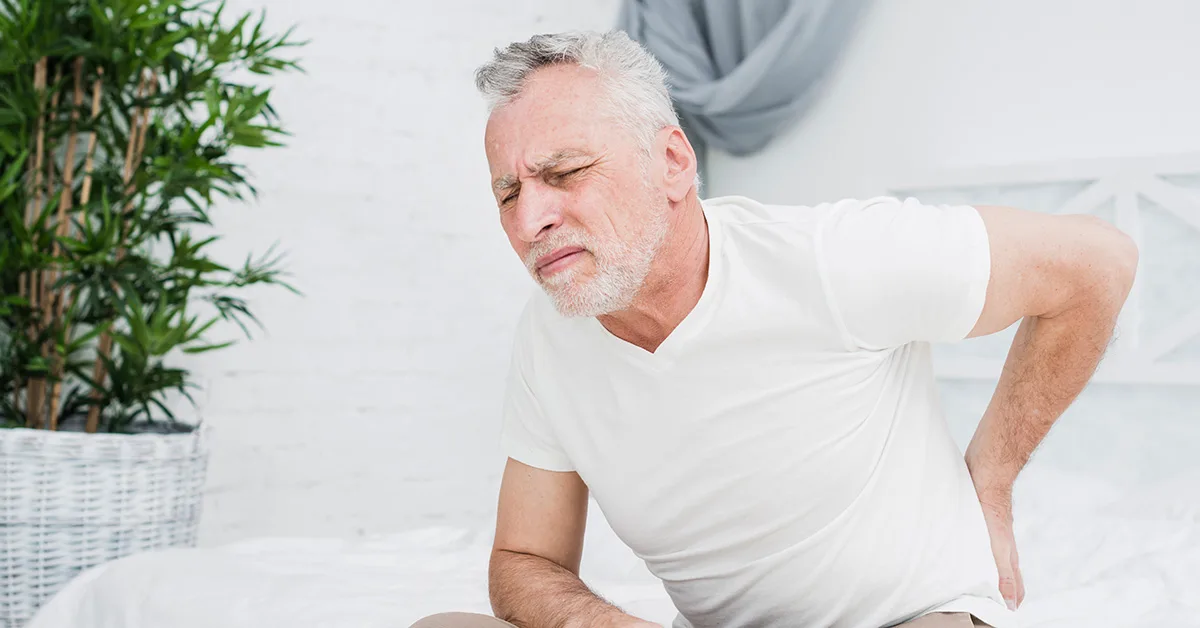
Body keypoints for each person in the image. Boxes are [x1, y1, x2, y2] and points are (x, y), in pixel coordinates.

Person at [412, 30, 1138, 628]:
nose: (528, 219)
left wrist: (994, 480)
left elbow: (1097, 265)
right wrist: (600, 624)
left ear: (670, 162)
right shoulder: (549, 341)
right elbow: (523, 560)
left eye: (564, 171)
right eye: (507, 192)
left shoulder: (834, 258)